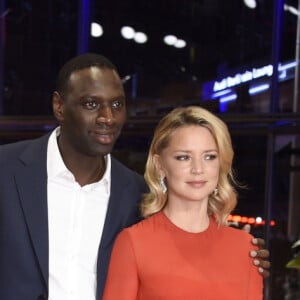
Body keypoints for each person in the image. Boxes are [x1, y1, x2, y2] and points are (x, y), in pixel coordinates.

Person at [0, 54, 269, 300]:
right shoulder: (6, 168)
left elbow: (187, 248)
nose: (107, 117)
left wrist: (244, 255)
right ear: (59, 106)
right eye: (91, 104)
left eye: (117, 104)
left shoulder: (138, 194)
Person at [103, 106, 264, 299]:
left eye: (209, 157)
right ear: (160, 165)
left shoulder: (245, 247)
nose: (198, 169)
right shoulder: (134, 243)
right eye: (184, 157)